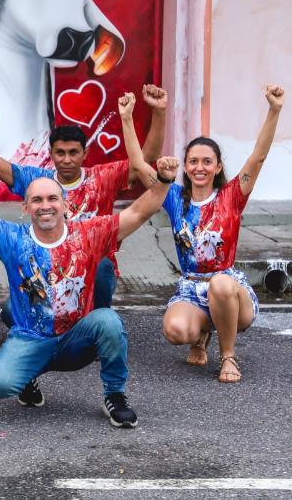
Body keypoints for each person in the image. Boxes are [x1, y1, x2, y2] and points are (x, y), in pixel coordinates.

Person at [0, 144, 180, 428]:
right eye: (37, 200)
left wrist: (164, 180)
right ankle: (28, 376)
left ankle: (114, 395)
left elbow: (139, 212)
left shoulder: (90, 233)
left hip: (77, 339)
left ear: (65, 204)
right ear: (26, 207)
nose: (45, 205)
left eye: (53, 198)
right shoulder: (11, 237)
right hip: (30, 338)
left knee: (109, 322)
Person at [120, 85, 284, 382]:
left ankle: (229, 356)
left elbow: (258, 157)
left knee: (220, 283)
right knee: (175, 330)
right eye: (193, 161)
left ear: (218, 166)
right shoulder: (173, 196)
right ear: (185, 165)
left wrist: (274, 110)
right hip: (191, 287)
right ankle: (200, 335)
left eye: (207, 161)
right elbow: (138, 166)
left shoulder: (232, 195)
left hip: (229, 290)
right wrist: (127, 118)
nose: (199, 167)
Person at [0, 86, 168, 324]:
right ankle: (49, 333)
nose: (66, 159)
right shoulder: (36, 180)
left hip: (92, 272)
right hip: (47, 270)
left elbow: (145, 159)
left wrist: (159, 112)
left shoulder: (103, 177)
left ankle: (97, 324)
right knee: (10, 312)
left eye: (73, 152)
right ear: (51, 153)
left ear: (85, 153)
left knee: (102, 267)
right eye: (60, 153)